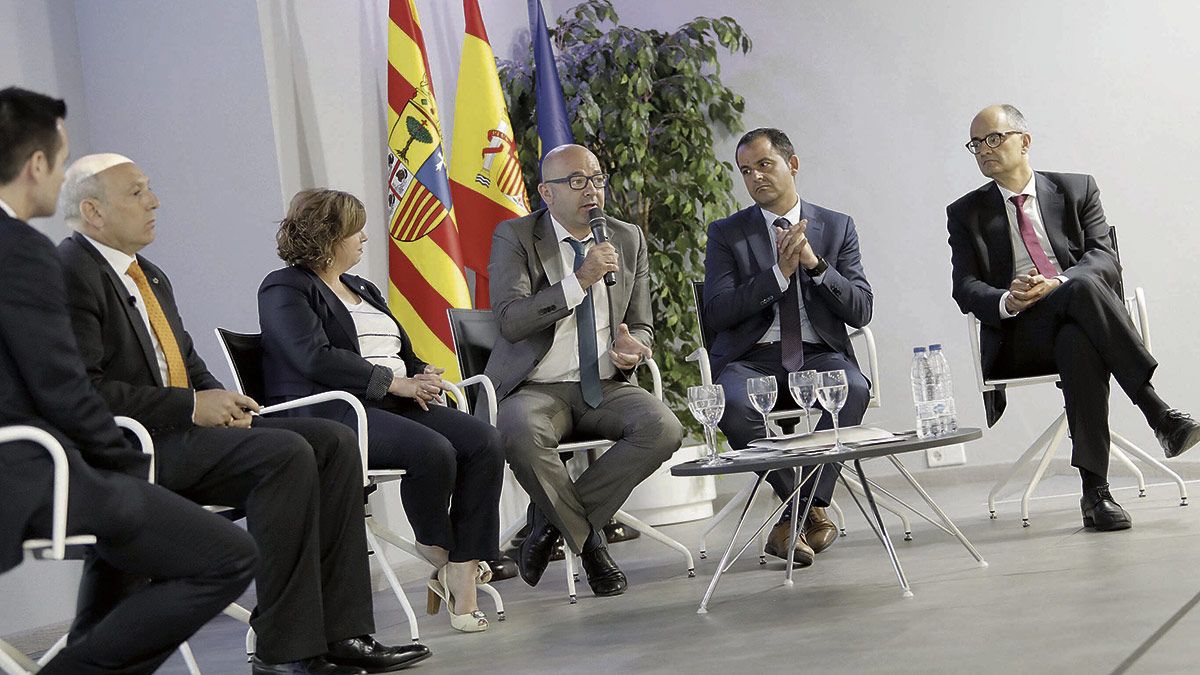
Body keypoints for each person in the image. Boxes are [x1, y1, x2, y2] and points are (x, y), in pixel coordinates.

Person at [56, 155, 430, 673]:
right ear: (93, 212)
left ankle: (345, 633)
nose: (155, 201)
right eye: (137, 192)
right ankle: (285, 650)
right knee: (285, 454)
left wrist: (221, 400)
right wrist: (191, 405)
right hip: (126, 449)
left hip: (177, 435)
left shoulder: (149, 277)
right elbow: (83, 391)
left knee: (332, 441)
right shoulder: (69, 274)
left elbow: (185, 361)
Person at [0, 86, 257, 674]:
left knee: (129, 518)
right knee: (227, 554)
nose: (60, 176)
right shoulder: (22, 252)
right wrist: (123, 456)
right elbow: (63, 387)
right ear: (36, 165)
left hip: (43, 459)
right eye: (60, 162)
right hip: (26, 471)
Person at [257, 188, 506, 633]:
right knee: (433, 449)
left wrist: (420, 374)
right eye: (355, 230)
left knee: (484, 440)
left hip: (393, 402)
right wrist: (394, 382)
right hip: (333, 410)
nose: (365, 238)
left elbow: (398, 349)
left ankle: (463, 567)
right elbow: (313, 358)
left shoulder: (362, 287)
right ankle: (439, 550)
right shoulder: (285, 287)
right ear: (329, 236)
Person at [947, 103, 1200, 531]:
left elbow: (1105, 259)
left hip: (1078, 322)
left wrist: (1057, 283)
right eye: (976, 144)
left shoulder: (1077, 189)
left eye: (994, 138)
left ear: (1024, 141)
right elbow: (965, 286)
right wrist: (1008, 298)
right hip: (1018, 335)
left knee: (1077, 335)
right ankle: (1157, 411)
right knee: (1079, 290)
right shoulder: (965, 212)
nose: (984, 150)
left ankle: (1095, 494)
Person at [485, 143, 684, 597]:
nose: (591, 190)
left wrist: (637, 347)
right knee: (517, 427)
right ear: (546, 193)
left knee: (663, 428)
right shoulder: (515, 236)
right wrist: (578, 281)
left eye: (596, 179)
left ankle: (550, 526)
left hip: (605, 383)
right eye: (576, 181)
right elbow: (511, 321)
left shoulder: (625, 236)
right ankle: (591, 543)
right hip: (535, 386)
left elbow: (643, 324)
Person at [704, 127, 873, 566]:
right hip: (752, 359)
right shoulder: (727, 234)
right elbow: (718, 312)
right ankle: (811, 510)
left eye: (765, 164)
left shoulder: (837, 226)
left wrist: (816, 265)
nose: (755, 177)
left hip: (817, 355)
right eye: (745, 170)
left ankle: (793, 518)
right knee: (732, 402)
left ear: (792, 165)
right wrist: (777, 275)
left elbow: (861, 310)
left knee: (853, 388)